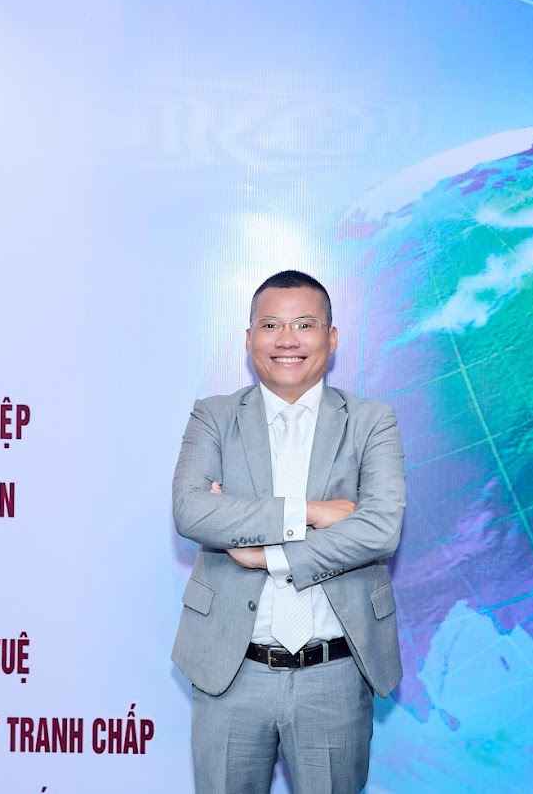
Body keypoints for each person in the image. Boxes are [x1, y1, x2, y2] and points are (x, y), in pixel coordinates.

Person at [171, 269, 406, 794]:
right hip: (230, 672)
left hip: (334, 674)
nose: (287, 339)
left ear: (332, 337)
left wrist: (268, 556)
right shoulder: (214, 417)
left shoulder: (371, 421)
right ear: (249, 338)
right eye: (271, 325)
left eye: (304, 324)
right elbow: (192, 513)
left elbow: (380, 529)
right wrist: (314, 512)